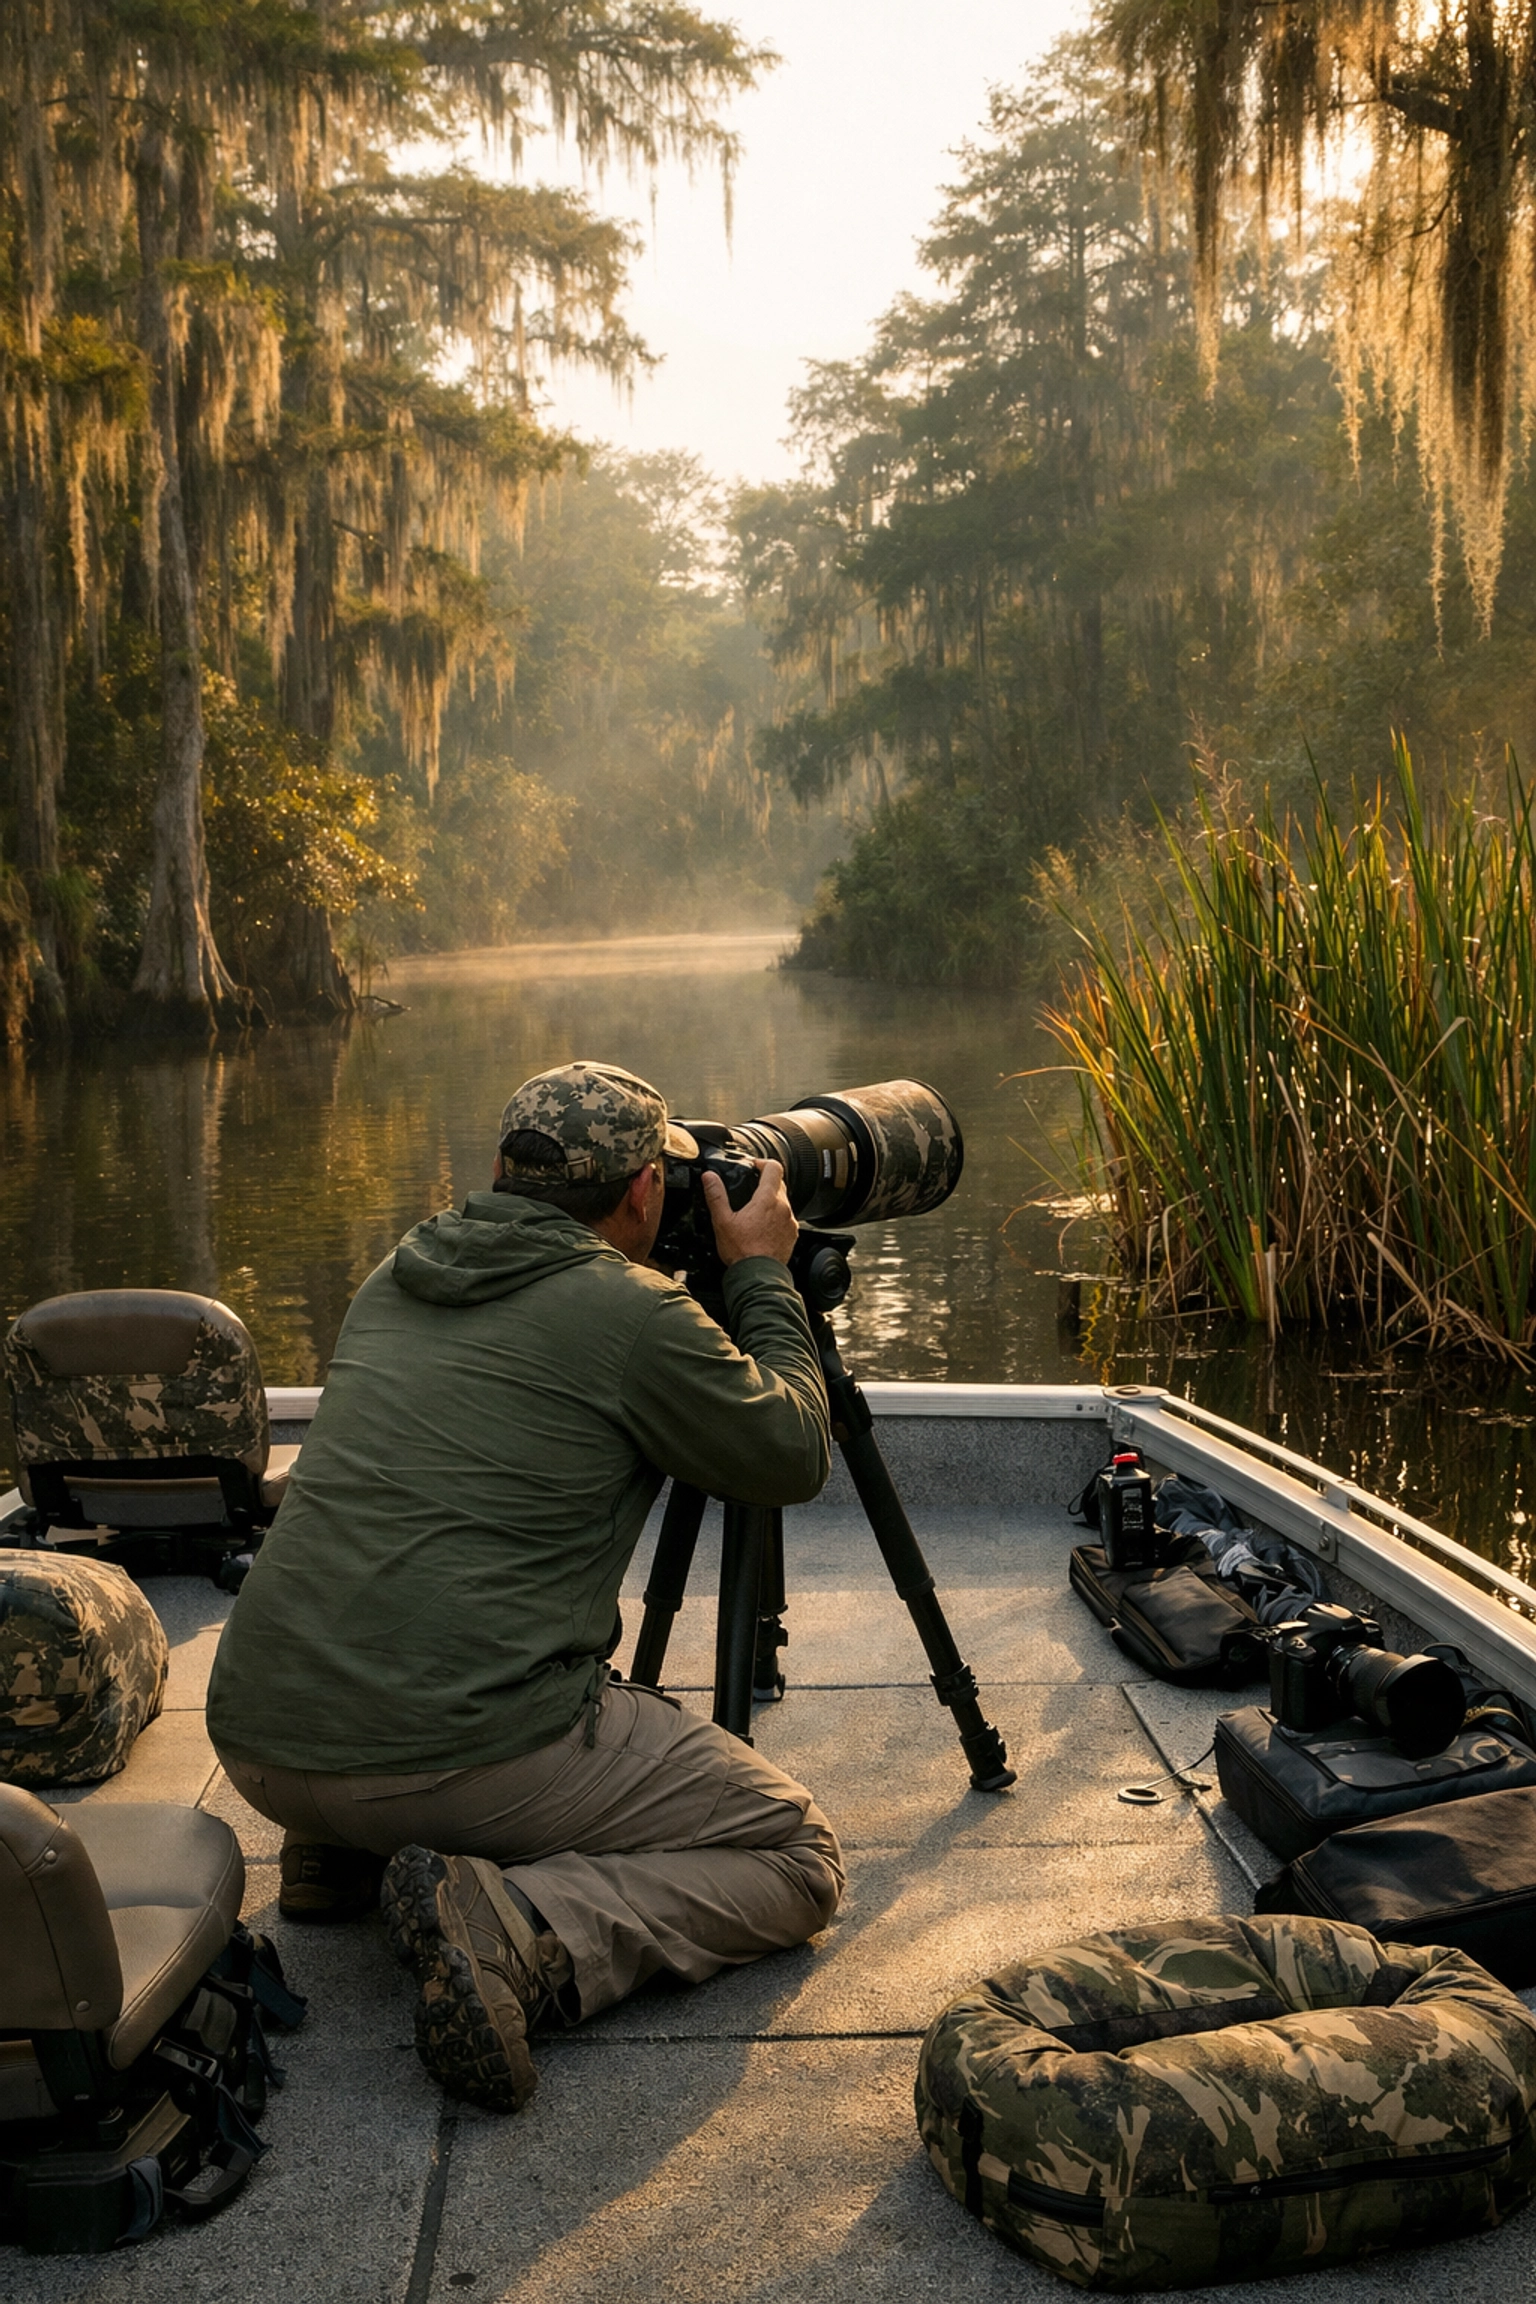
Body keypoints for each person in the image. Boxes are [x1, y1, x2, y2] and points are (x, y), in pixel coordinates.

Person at [206, 1060, 843, 2112]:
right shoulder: (635, 1316)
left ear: (501, 1170)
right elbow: (790, 1452)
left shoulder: (396, 1270)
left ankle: (337, 1854)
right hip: (447, 1756)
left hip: (262, 1741)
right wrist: (763, 1275)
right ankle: (529, 1930)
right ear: (644, 1194)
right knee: (792, 1851)